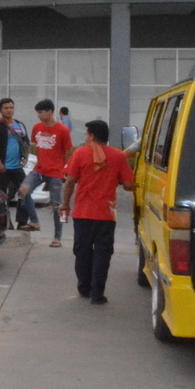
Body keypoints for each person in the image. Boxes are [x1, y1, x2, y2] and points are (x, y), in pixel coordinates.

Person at [60, 120, 135, 305]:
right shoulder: (118, 156)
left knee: (82, 251)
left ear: (92, 135)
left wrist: (65, 205)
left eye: (87, 134)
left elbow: (70, 182)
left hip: (83, 213)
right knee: (103, 253)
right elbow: (129, 184)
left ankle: (84, 288)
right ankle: (97, 294)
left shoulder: (80, 153)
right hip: (106, 214)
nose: (86, 138)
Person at [21, 99, 73, 247]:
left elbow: (69, 151)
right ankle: (35, 221)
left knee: (56, 205)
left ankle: (58, 237)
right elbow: (35, 146)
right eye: (37, 113)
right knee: (23, 190)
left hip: (56, 172)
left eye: (41, 112)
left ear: (50, 112)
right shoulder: (37, 127)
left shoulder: (62, 130)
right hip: (39, 169)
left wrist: (66, 170)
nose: (38, 115)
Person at [0, 98, 32, 230]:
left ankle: (22, 222)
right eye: (6, 108)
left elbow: (26, 143)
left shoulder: (20, 125)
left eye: (11, 107)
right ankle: (5, 223)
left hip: (17, 167)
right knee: (1, 197)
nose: (9, 110)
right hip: (3, 168)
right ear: (0, 110)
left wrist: (26, 157)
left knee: (25, 192)